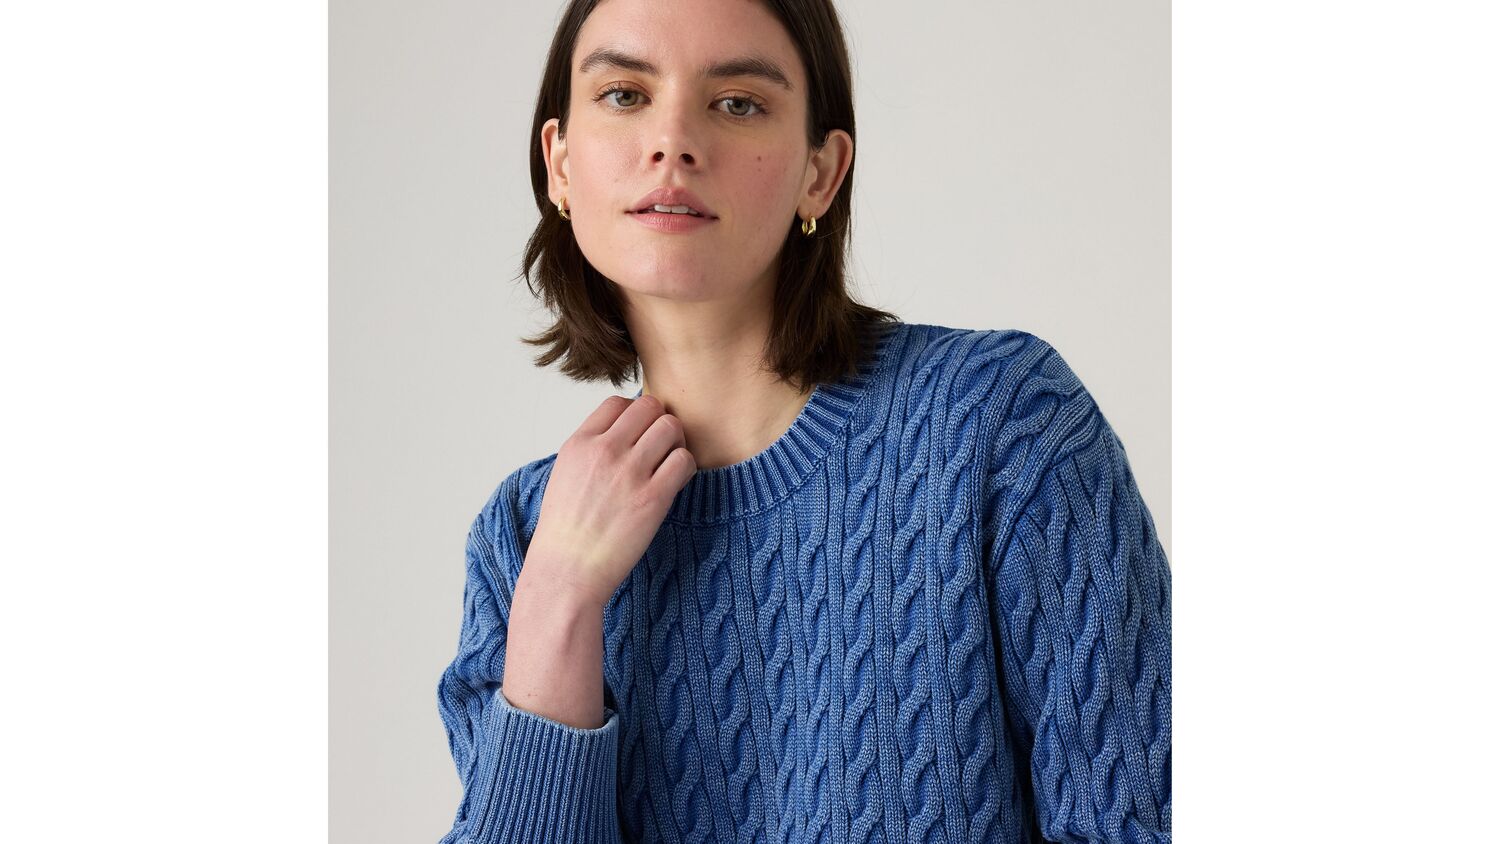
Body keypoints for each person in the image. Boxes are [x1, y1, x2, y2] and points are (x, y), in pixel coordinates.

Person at [435, 1, 1172, 841]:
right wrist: (559, 601)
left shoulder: (998, 426)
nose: (672, 141)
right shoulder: (522, 539)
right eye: (625, 95)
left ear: (821, 173)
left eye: (737, 102)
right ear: (560, 164)